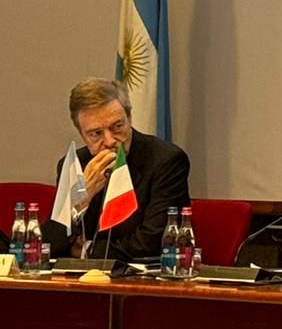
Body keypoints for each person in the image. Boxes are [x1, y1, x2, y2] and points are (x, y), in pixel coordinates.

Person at [42, 77, 191, 262]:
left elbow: (153, 242)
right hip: (82, 278)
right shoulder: (75, 164)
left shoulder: (166, 160)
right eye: (96, 134)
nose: (110, 141)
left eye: (117, 127)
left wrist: (86, 250)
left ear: (129, 118)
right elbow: (49, 246)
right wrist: (80, 199)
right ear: (82, 134)